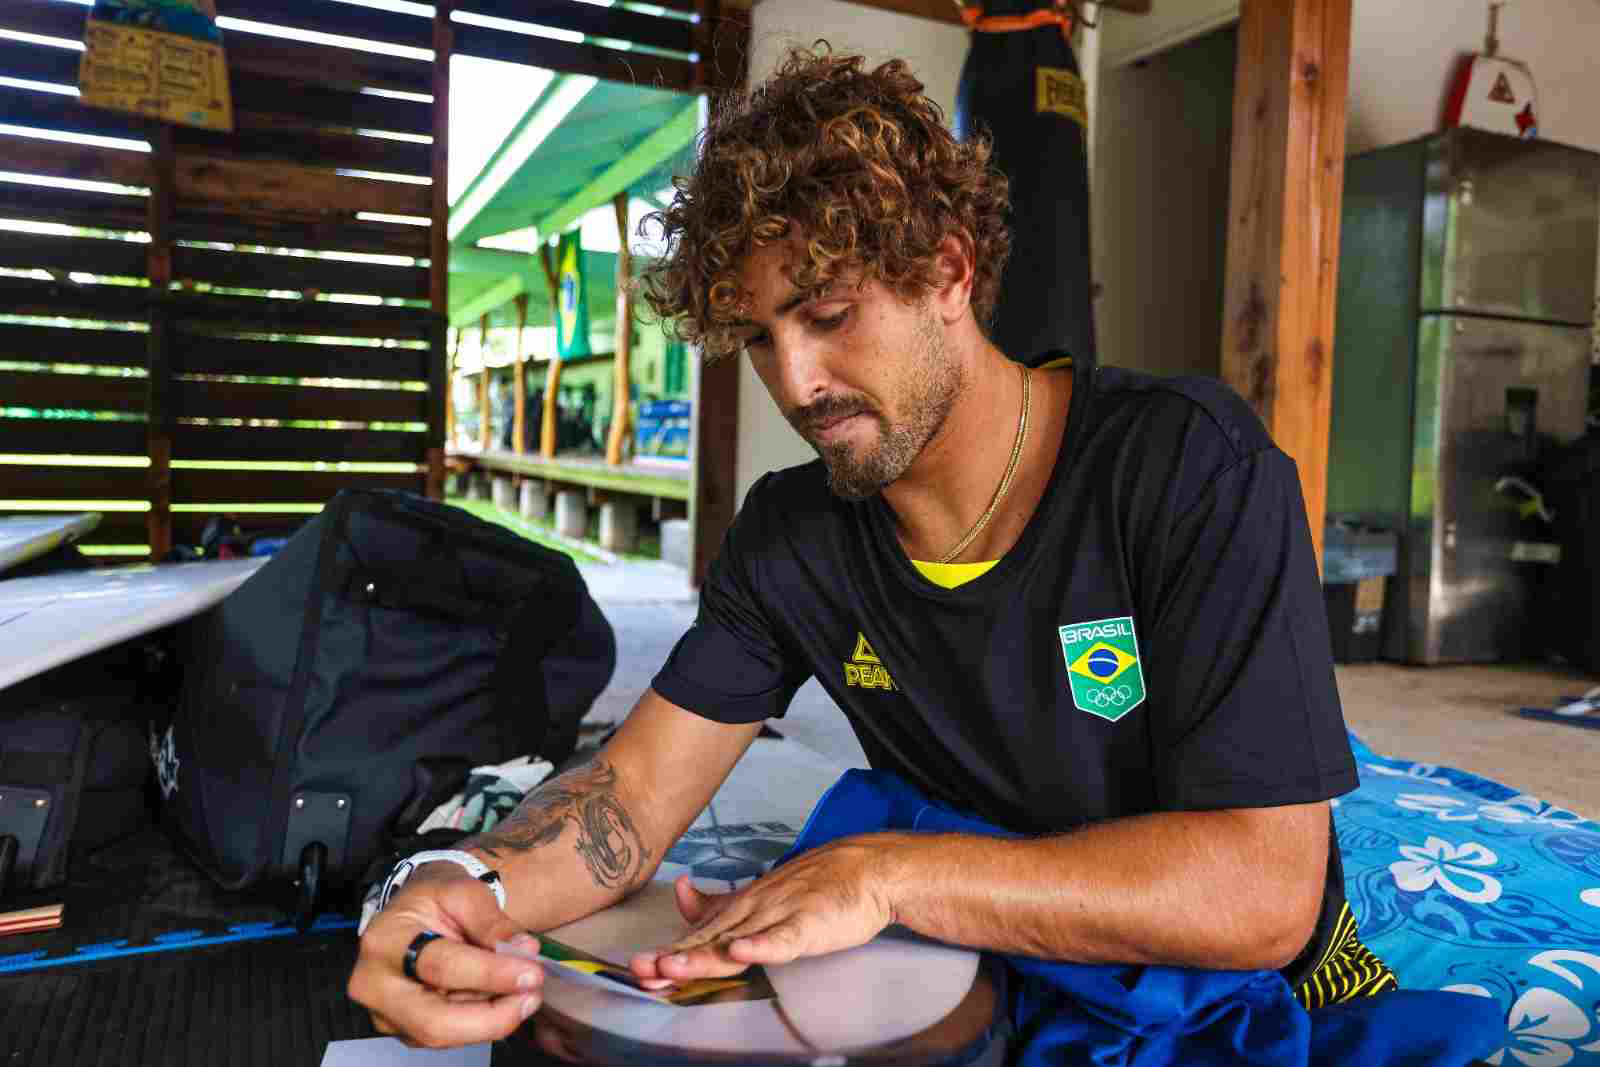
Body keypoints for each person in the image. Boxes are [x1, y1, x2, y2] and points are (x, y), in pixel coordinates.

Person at [347, 45, 1395, 1053]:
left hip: (1212, 974)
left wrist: (886, 875)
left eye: (829, 311)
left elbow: (1264, 891)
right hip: (976, 948)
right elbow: (627, 797)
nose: (796, 382)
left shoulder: (1187, 467)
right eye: (759, 336)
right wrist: (449, 885)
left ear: (947, 269)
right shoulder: (789, 535)